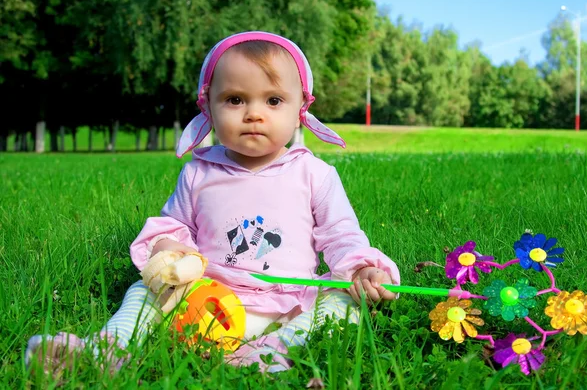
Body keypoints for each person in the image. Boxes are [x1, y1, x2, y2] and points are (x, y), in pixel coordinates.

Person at [25, 31, 401, 375]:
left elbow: (341, 235)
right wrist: (170, 250)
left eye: (273, 100)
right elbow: (176, 227)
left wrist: (359, 271)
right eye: (235, 99)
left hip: (288, 301)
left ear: (301, 106)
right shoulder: (199, 172)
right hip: (206, 298)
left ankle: (271, 351)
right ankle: (108, 349)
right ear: (208, 105)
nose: (254, 113)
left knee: (342, 303)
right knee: (144, 291)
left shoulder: (314, 174)